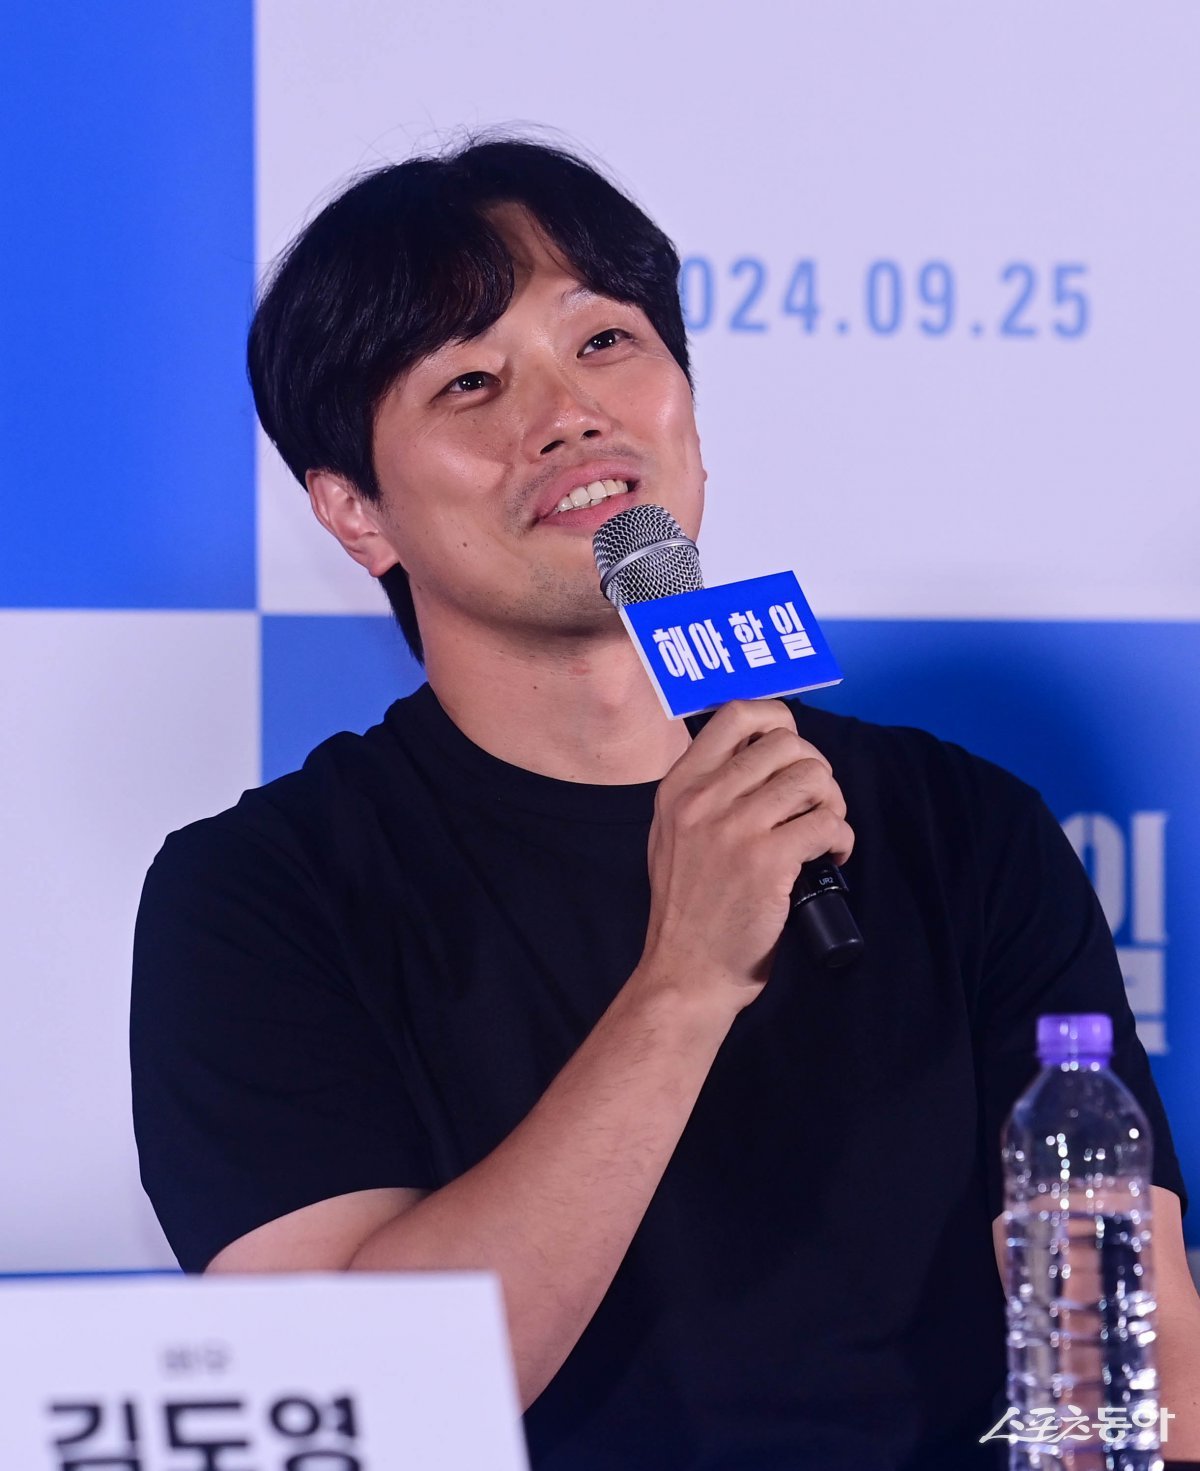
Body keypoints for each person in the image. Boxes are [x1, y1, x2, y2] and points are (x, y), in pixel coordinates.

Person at [130, 136, 1200, 1470]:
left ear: (689, 408)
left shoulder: (962, 824)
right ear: (357, 514)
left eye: (605, 343)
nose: (568, 414)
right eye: (471, 381)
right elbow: (342, 1398)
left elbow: (1128, 1340)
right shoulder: (258, 895)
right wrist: (682, 985)